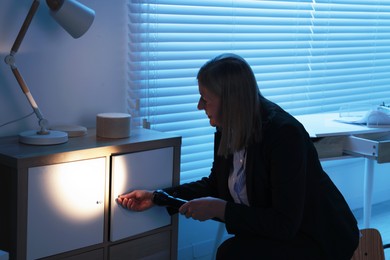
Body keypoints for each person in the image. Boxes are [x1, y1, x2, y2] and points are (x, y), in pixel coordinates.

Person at [117, 53, 360, 259]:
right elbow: (215, 185)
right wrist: (159, 197)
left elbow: (284, 223)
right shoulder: (227, 128)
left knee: (232, 253)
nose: (199, 106)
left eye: (205, 98)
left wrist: (219, 209)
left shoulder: (284, 135)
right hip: (280, 233)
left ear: (231, 101)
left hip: (319, 237)